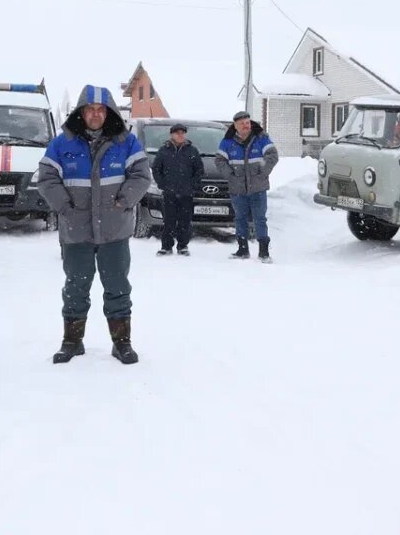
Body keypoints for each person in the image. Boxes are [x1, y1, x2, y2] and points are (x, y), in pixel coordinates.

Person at [37, 85, 152, 364]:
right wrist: (64, 206)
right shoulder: (62, 143)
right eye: (90, 109)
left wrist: (124, 201)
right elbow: (47, 177)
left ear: (109, 112)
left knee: (117, 286)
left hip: (114, 230)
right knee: (75, 287)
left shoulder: (126, 142)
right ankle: (72, 341)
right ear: (82, 112)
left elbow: (141, 176)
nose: (96, 114)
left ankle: (122, 343)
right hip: (77, 231)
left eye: (101, 110)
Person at [215, 110, 279, 263]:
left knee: (260, 219)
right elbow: (219, 161)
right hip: (237, 189)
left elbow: (272, 156)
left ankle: (263, 251)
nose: (246, 126)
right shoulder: (227, 142)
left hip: (258, 187)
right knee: (240, 219)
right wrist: (230, 175)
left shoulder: (261, 138)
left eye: (247, 122)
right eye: (242, 123)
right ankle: (242, 249)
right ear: (235, 126)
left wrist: (262, 173)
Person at [150, 123, 204, 256]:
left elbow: (199, 170)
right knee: (169, 220)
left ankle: (183, 246)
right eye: (177, 133)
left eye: (182, 133)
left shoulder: (192, 151)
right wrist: (162, 184)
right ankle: (166, 246)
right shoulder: (164, 150)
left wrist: (192, 185)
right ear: (172, 135)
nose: (180, 135)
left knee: (185, 221)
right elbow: (156, 170)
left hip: (186, 193)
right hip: (169, 193)